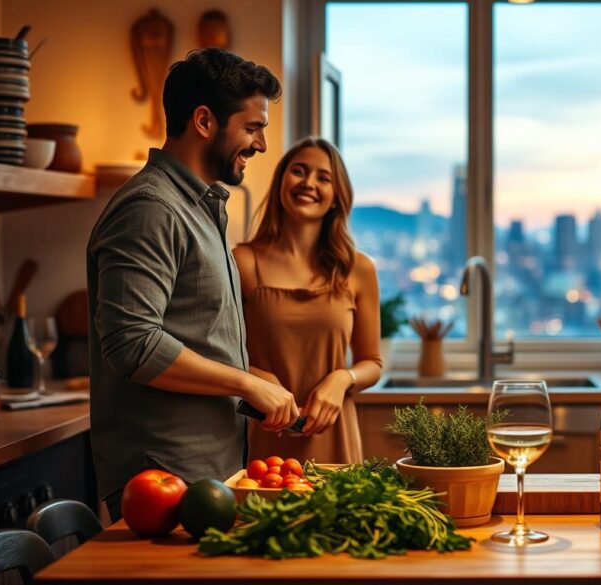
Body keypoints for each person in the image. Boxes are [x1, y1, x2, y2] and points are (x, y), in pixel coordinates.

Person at [87, 48, 298, 521]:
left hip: (202, 470)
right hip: (163, 474)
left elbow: (187, 330)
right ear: (204, 121)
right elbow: (132, 344)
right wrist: (243, 381)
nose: (261, 145)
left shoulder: (197, 207)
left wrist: (249, 378)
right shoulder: (152, 208)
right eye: (252, 127)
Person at [233, 136, 383, 463]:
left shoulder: (358, 269)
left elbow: (372, 362)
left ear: (335, 197)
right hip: (263, 437)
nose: (308, 183)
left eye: (323, 177)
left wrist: (343, 378)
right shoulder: (242, 261)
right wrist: (255, 376)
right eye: (298, 171)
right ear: (281, 183)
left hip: (335, 438)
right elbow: (219, 352)